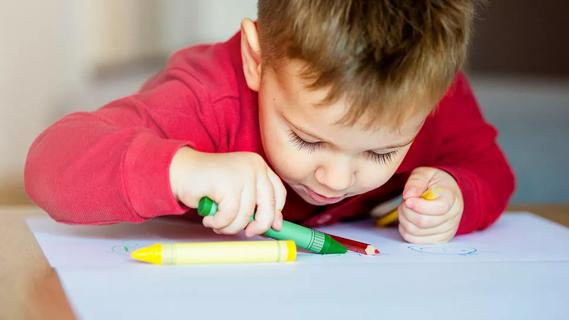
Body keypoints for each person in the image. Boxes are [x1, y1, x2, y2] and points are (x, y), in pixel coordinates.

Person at [25, 0, 515, 244]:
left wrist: (458, 192)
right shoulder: (205, 98)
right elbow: (50, 162)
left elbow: (491, 168)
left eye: (381, 153)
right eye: (306, 138)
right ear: (257, 59)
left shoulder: (424, 93)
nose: (338, 179)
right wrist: (183, 168)